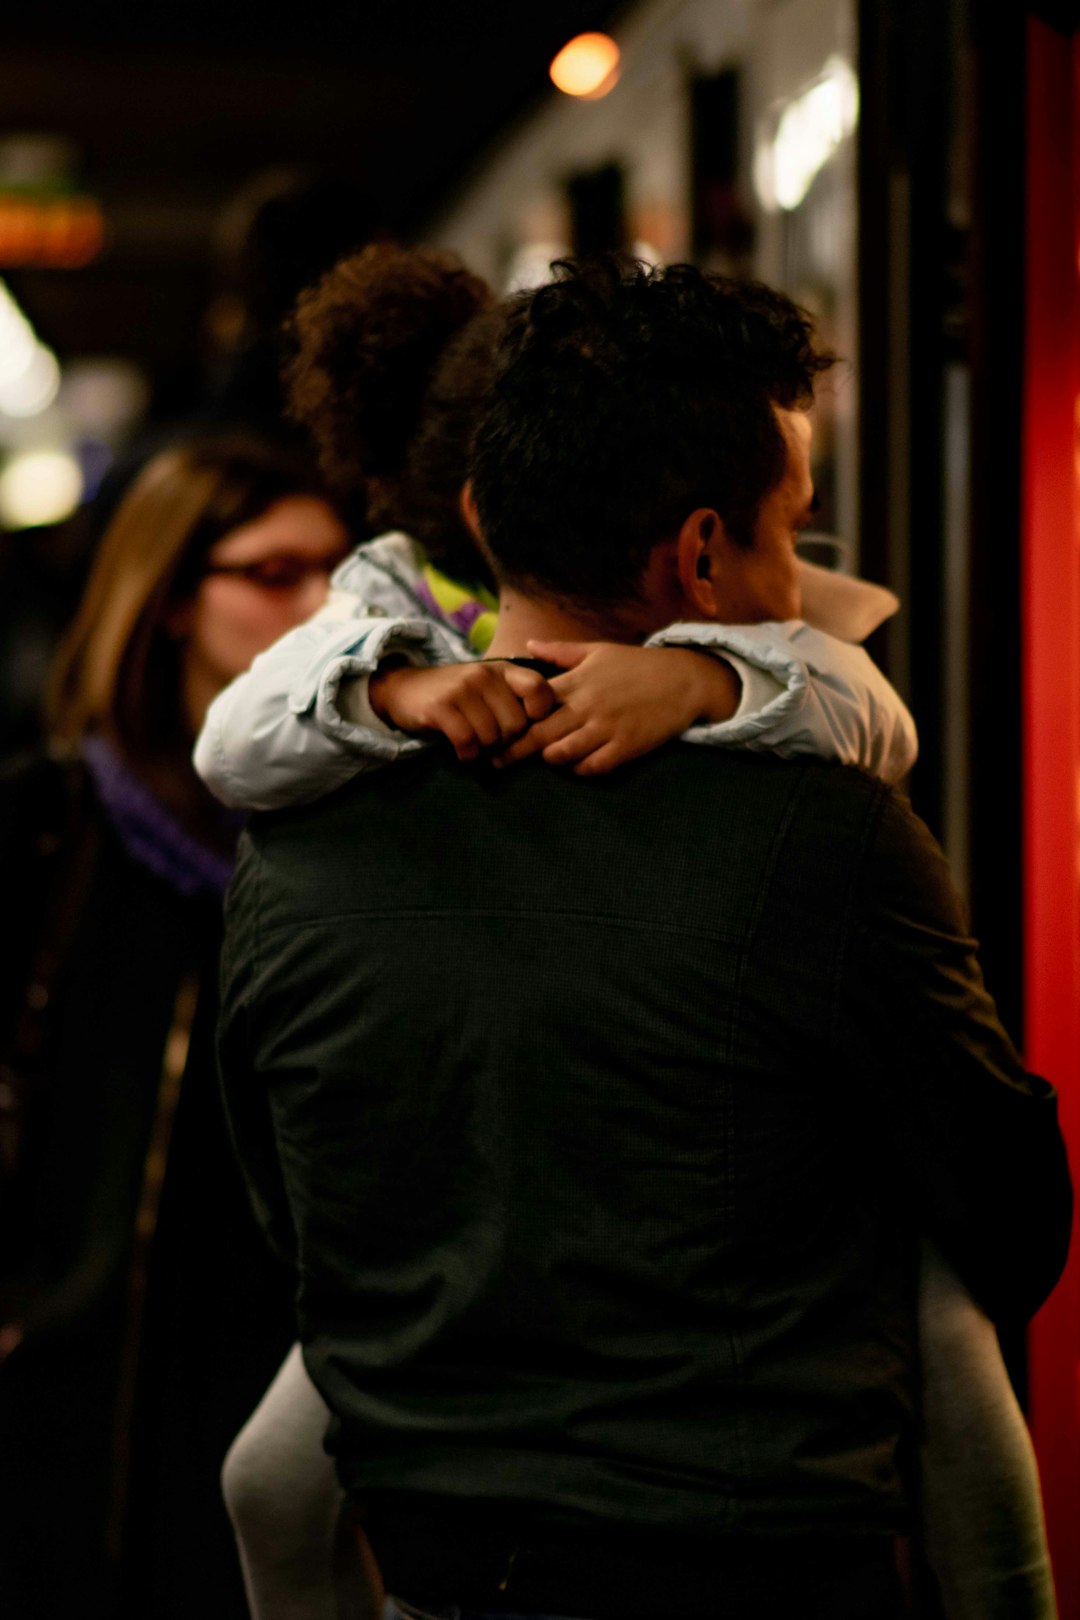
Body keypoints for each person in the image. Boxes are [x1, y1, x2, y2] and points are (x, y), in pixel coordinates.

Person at [216, 258, 1073, 1620]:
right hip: (758, 1567)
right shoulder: (829, 841)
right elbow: (1009, 1211)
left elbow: (296, 1217)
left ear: (486, 512)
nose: (804, 575)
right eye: (796, 528)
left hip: (431, 1574)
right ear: (700, 553)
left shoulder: (293, 851)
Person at [0, 434, 350, 1620]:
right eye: (272, 571)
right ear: (167, 604)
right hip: (79, 1387)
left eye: (336, 572)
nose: (315, 604)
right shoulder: (50, 835)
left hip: (288, 1375)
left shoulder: (355, 840)